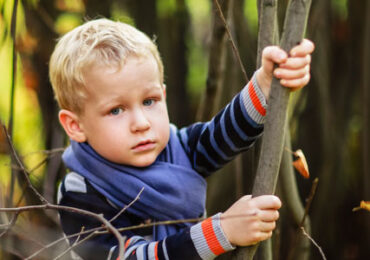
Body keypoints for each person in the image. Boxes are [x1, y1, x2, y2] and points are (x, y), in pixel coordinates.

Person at [50, 18, 314, 260]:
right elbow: (129, 257)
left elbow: (225, 134)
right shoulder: (80, 192)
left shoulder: (178, 150)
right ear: (75, 125)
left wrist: (266, 85)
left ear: (163, 96)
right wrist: (220, 232)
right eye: (116, 110)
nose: (141, 123)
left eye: (149, 101)